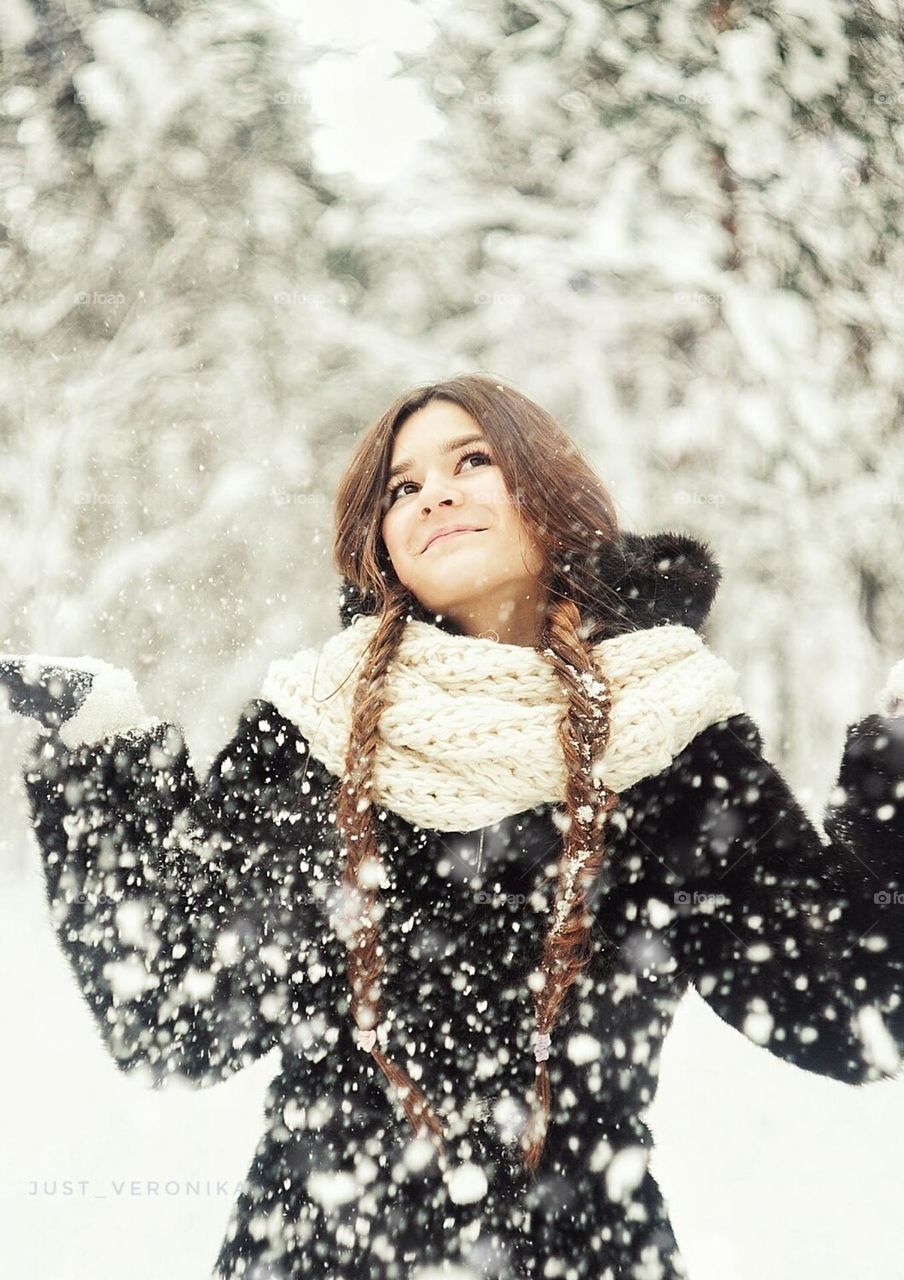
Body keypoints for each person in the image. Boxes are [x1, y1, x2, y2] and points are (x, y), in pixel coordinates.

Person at [3, 371, 904, 1280]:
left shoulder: (669, 736)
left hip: (581, 1251)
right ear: (380, 542)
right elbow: (172, 1019)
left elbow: (849, 1011)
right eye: (402, 487)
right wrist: (100, 748)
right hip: (318, 1246)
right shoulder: (311, 729)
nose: (434, 491)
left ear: (552, 494)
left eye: (473, 460)